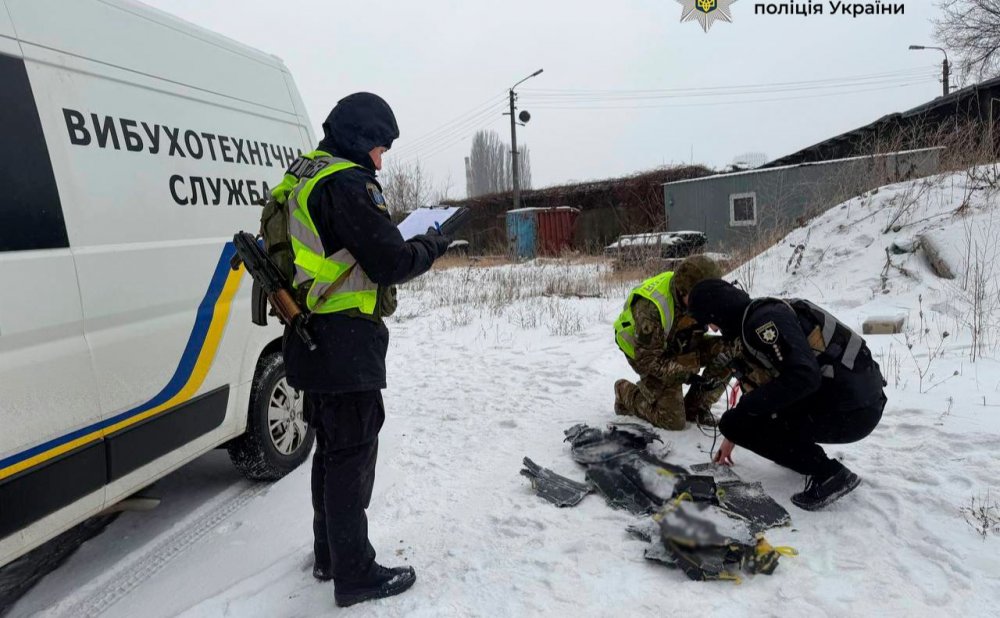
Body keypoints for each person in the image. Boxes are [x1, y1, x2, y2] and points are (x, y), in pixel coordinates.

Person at [278, 92, 452, 607]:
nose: (381, 158)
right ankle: (355, 574)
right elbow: (391, 263)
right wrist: (434, 245)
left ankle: (330, 554)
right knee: (352, 456)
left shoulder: (303, 174)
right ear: (360, 139)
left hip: (308, 334)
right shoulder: (349, 182)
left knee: (332, 452)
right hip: (345, 341)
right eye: (380, 147)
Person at [686, 279, 887, 511]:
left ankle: (829, 474)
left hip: (854, 412)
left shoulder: (763, 324)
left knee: (740, 419)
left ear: (718, 312)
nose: (712, 328)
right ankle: (804, 458)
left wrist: (745, 413)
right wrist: (736, 431)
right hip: (856, 400)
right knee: (742, 419)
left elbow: (804, 377)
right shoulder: (759, 314)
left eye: (710, 321)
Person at [613, 255, 729, 430]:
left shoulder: (697, 296)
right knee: (672, 421)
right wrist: (687, 376)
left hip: (678, 344)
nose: (707, 304)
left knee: (730, 351)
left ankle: (696, 408)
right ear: (683, 292)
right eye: (701, 298)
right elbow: (649, 360)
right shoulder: (651, 308)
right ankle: (625, 393)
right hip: (647, 355)